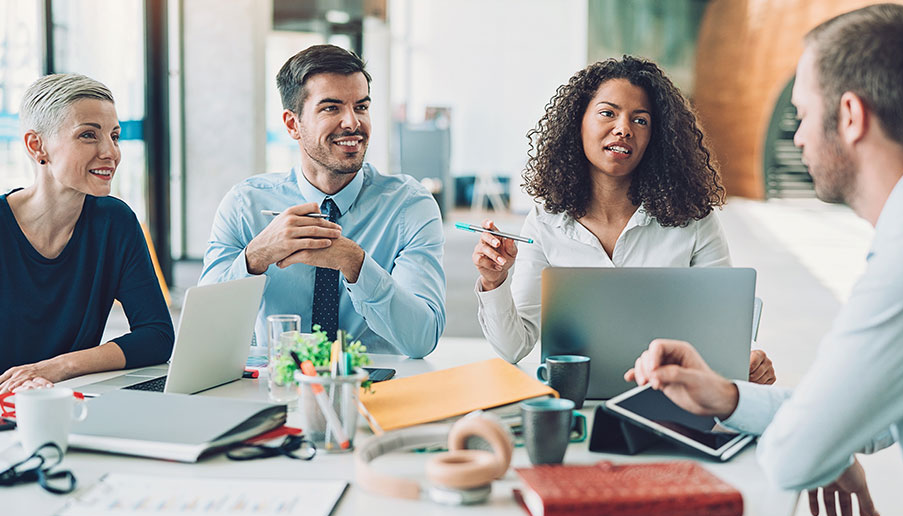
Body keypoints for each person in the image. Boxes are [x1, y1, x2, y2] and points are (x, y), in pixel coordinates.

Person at [626, 5, 903, 516]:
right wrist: (727, 396)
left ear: (851, 116)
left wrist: (819, 445)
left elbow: (793, 457)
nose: (799, 136)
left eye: (802, 114)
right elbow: (870, 423)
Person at [472, 56, 775, 384]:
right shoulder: (545, 222)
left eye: (640, 120)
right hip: (575, 402)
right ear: (579, 122)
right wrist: (494, 281)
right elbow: (513, 348)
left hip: (669, 398)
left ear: (655, 137)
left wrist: (750, 356)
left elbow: (724, 324)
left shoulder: (693, 220)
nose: (623, 129)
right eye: (607, 113)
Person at [199, 45, 445, 357]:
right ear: (292, 124)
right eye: (331, 108)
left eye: (361, 106)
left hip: (376, 391)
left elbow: (421, 340)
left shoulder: (409, 206)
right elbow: (204, 334)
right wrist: (256, 257)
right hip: (276, 387)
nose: (352, 123)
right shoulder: (244, 205)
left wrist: (356, 264)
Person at [0, 74, 174, 393]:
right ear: (36, 145)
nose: (111, 152)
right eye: (88, 135)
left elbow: (157, 336)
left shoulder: (115, 222)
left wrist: (61, 366)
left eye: (115, 136)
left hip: (70, 401)